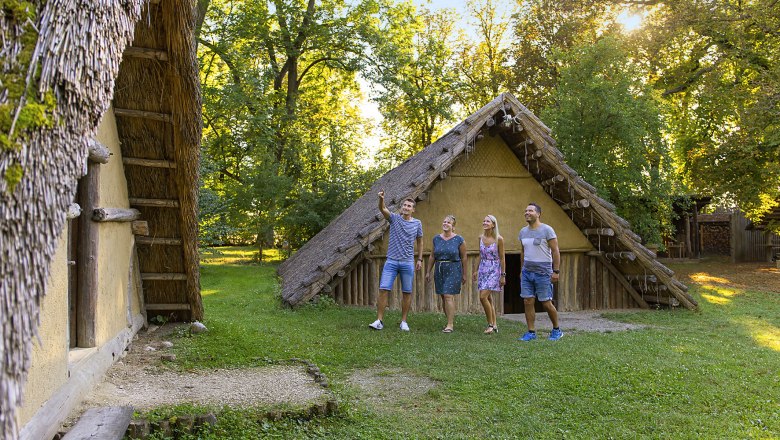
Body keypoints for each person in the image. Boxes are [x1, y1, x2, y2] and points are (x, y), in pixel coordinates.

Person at [369, 191, 423, 331]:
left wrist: (420, 259)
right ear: (401, 207)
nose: (406, 207)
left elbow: (420, 242)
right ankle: (379, 321)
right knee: (383, 289)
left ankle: (403, 321)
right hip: (391, 261)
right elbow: (383, 209)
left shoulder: (417, 223)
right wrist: (381, 199)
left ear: (413, 209)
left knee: (407, 292)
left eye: (409, 206)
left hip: (407, 263)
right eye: (404, 205)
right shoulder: (394, 219)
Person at [518, 203, 563, 341]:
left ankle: (556, 330)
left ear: (538, 214)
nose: (527, 213)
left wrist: (556, 271)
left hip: (543, 273)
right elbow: (523, 252)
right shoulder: (522, 232)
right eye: (525, 211)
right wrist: (521, 269)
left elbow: (555, 251)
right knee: (528, 301)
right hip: (527, 272)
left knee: (546, 303)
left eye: (530, 210)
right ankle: (531, 332)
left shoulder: (547, 230)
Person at [425, 215, 467, 333]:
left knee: (448, 295)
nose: (445, 223)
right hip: (439, 268)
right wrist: (428, 271)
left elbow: (464, 257)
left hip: (454, 268)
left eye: (448, 222)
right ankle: (448, 320)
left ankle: (450, 324)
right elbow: (432, 256)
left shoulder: (459, 239)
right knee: (443, 296)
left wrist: (464, 274)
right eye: (444, 221)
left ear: (453, 226)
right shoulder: (436, 239)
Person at [472, 215, 505, 334]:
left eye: (488, 221)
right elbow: (480, 254)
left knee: (483, 297)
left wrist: (503, 275)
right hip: (483, 269)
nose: (485, 222)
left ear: (493, 225)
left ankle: (490, 325)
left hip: (494, 269)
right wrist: (476, 270)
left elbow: (502, 258)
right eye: (484, 220)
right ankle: (495, 325)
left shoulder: (499, 239)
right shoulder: (480, 237)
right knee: (489, 298)